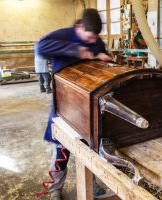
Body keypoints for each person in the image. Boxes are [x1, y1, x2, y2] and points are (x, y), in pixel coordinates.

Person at [36, 8, 112, 200]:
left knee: (90, 146)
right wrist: (76, 50)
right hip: (64, 104)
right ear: (79, 27)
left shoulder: (95, 40)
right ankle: (55, 188)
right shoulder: (63, 35)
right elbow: (40, 47)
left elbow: (102, 56)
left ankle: (91, 182)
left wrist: (104, 57)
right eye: (89, 36)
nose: (92, 41)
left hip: (87, 104)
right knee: (61, 149)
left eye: (95, 37)